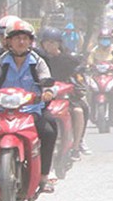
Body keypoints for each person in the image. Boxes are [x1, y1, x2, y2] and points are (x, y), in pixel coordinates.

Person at [0, 16, 57, 195]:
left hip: (32, 110)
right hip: (3, 110)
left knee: (49, 130)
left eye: (25, 38)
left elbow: (46, 80)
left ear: (30, 41)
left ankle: (43, 178)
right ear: (8, 41)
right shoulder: (1, 61)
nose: (21, 41)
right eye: (16, 38)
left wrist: (47, 92)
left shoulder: (38, 61)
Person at [35, 27, 88, 160]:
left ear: (59, 43)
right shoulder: (37, 58)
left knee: (80, 111)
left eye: (53, 42)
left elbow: (79, 72)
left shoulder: (68, 59)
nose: (49, 45)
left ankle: (77, 145)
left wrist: (79, 80)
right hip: (41, 97)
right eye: (46, 42)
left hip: (64, 96)